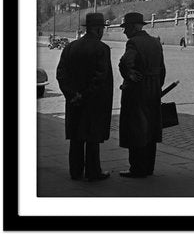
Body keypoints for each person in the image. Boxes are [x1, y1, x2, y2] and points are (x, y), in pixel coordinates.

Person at [56, 13, 113, 181]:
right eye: (102, 28)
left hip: (73, 101)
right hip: (93, 102)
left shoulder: (70, 48)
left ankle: (75, 170)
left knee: (76, 137)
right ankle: (93, 171)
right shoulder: (102, 49)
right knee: (92, 137)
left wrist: (72, 94)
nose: (102, 32)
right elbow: (100, 77)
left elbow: (61, 73)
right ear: (97, 29)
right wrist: (85, 95)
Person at [118, 12, 166, 178]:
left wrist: (129, 75)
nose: (124, 32)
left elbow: (125, 63)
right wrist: (157, 86)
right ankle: (149, 167)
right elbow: (162, 69)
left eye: (125, 28)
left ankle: (136, 168)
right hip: (153, 90)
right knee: (151, 129)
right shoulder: (155, 42)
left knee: (136, 128)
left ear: (132, 27)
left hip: (137, 91)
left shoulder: (133, 43)